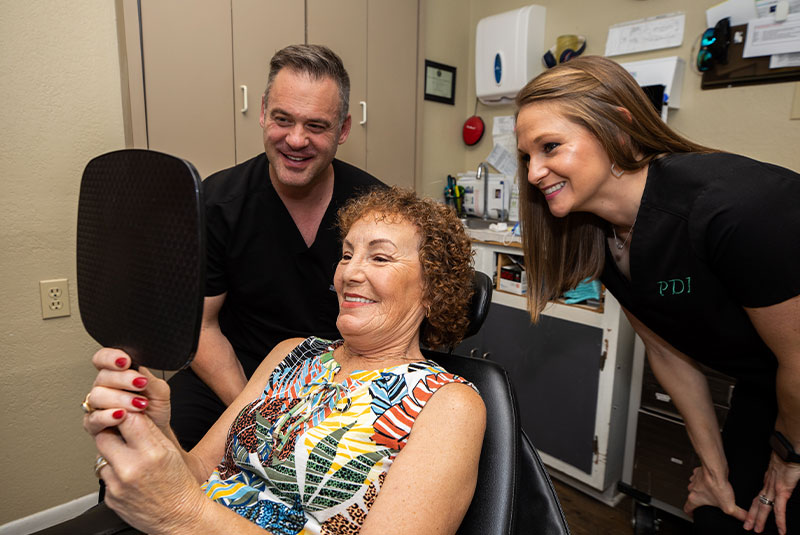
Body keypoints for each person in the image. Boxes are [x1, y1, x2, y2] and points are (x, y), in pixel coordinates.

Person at [82, 187, 485, 534]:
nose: (349, 273)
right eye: (346, 255)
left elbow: (187, 504)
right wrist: (157, 428)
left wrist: (184, 515)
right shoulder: (292, 353)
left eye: (379, 258)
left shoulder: (447, 404)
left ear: (433, 291)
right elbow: (198, 474)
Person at [514, 55, 800, 535]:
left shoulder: (733, 208)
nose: (534, 173)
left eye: (550, 147)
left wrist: (788, 453)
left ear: (619, 129)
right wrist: (715, 468)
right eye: (526, 157)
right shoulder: (600, 234)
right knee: (716, 512)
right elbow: (665, 349)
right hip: (771, 389)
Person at [168, 44, 386, 450]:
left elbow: (394, 319)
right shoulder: (217, 203)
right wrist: (253, 414)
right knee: (151, 462)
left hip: (341, 377)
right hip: (233, 372)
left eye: (317, 126)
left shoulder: (375, 207)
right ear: (264, 111)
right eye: (283, 119)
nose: (296, 140)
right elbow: (201, 326)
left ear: (343, 129)